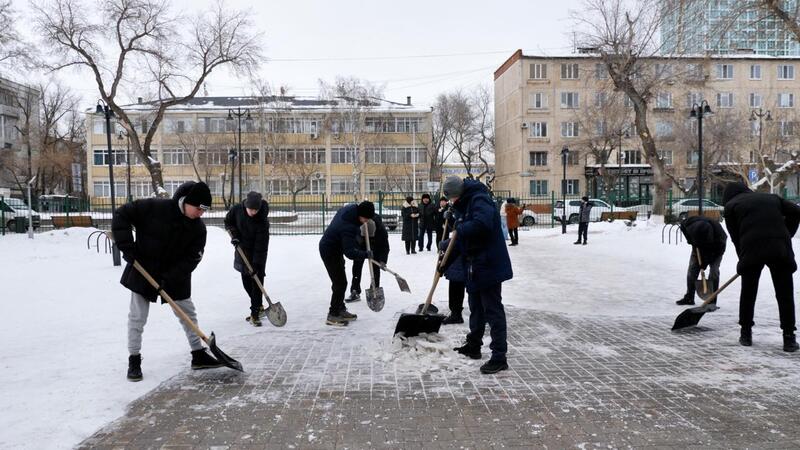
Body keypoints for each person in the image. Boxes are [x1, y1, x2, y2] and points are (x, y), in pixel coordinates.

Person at [112, 181, 222, 382]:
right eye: (198, 208)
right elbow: (122, 214)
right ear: (186, 202)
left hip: (175, 275)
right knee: (137, 317)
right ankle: (134, 359)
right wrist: (128, 249)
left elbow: (192, 259)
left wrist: (168, 279)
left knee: (187, 313)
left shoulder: (198, 229)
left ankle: (198, 354)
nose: (201, 213)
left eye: (204, 210)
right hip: (143, 269)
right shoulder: (155, 208)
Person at [439, 176, 513, 374]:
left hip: (488, 265)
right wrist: (444, 261)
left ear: (457, 193)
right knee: (476, 308)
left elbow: (481, 225)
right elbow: (459, 241)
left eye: (452, 198)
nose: (451, 202)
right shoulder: (464, 205)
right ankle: (473, 346)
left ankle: (499, 357)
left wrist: (460, 227)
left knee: (493, 311)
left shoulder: (479, 199)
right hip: (474, 266)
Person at [723, 182, 800, 352]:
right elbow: (796, 211)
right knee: (785, 293)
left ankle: (746, 334)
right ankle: (789, 338)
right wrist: (786, 234)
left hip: (751, 249)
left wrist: (742, 259)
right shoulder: (772, 197)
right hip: (779, 249)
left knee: (748, 292)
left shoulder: (731, 206)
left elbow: (736, 238)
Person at [319, 201, 375, 326]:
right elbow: (350, 253)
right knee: (340, 283)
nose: (366, 222)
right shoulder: (348, 226)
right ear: (360, 214)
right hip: (329, 250)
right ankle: (333, 314)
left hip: (335, 247)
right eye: (365, 219)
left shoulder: (351, 209)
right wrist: (365, 254)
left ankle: (340, 309)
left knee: (341, 282)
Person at [224, 191, 270, 326]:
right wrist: (235, 235)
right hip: (242, 249)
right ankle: (259, 306)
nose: (253, 212)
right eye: (251, 209)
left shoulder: (262, 220)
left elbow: (261, 245)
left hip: (258, 253)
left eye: (256, 210)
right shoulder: (237, 210)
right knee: (246, 281)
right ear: (246, 205)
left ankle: (254, 314)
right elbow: (228, 222)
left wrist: (256, 264)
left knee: (256, 282)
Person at [676, 215, 726, 306]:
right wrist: (690, 240)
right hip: (697, 247)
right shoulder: (688, 223)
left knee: (714, 271)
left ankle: (712, 301)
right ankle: (689, 297)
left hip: (715, 250)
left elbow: (719, 251)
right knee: (692, 270)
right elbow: (682, 227)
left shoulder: (719, 238)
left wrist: (705, 262)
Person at [345, 215, 390, 303]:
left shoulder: (381, 231)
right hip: (360, 246)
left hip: (375, 247)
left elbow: (385, 247)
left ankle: (374, 290)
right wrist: (358, 250)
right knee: (357, 267)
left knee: (375, 269)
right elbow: (352, 243)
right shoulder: (358, 227)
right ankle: (355, 290)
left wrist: (383, 261)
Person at [441, 204, 466, 325]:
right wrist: (450, 218)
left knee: (457, 287)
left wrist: (444, 244)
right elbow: (455, 228)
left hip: (460, 258)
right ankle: (455, 313)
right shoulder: (462, 216)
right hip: (456, 259)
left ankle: (456, 314)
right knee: (455, 287)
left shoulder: (467, 217)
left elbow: (459, 237)